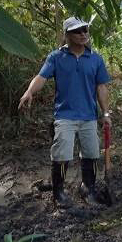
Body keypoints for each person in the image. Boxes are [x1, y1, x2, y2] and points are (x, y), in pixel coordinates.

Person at [18, 17, 112, 207]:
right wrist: (29, 92)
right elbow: (41, 77)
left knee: (92, 153)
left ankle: (88, 188)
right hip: (65, 116)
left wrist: (106, 113)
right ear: (67, 35)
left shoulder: (95, 58)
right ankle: (58, 192)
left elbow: (101, 87)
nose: (83, 34)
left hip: (88, 116)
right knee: (61, 155)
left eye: (85, 29)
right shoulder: (56, 57)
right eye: (78, 31)